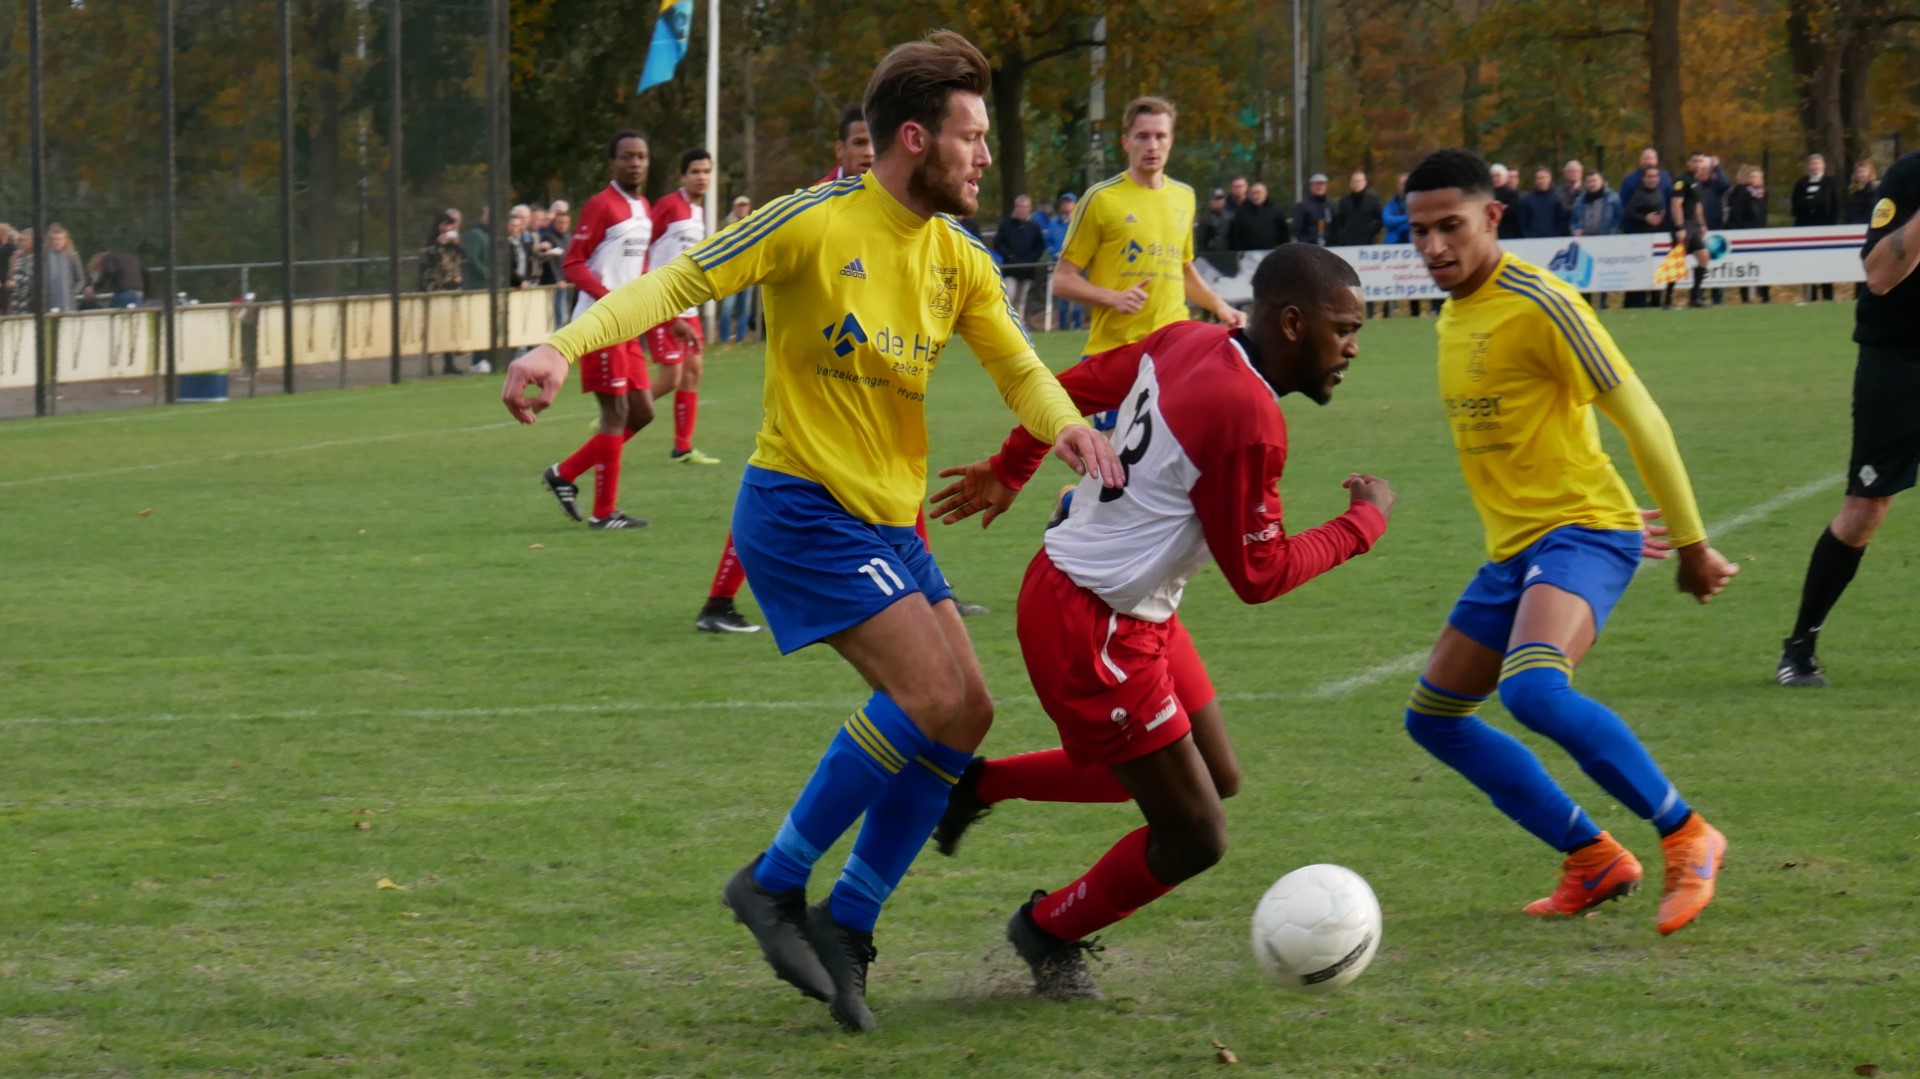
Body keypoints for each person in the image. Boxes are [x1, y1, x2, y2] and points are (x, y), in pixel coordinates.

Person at [502, 32, 1122, 1033]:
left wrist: (1066, 429)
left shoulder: (958, 257)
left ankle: (849, 922)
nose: (984, 156)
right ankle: (774, 879)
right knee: (929, 696)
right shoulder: (812, 221)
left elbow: (1018, 366)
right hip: (799, 508)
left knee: (968, 714)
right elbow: (676, 283)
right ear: (914, 139)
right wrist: (559, 347)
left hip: (887, 522)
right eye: (970, 137)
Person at [923, 244, 1392, 998]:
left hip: (1125, 606)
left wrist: (1012, 467)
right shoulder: (1249, 416)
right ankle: (1044, 931)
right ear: (1293, 324)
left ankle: (976, 785)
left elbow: (1066, 387)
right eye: (1345, 329)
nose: (1353, 348)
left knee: (1215, 777)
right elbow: (1260, 575)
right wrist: (1362, 523)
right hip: (1093, 626)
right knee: (1195, 834)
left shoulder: (1190, 338)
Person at [1397, 148, 1737, 936]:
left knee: (1533, 690)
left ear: (1492, 216)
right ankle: (1591, 857)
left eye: (1451, 226)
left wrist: (1693, 543)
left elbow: (1641, 416)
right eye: (1419, 231)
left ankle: (1688, 832)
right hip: (1517, 550)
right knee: (1435, 717)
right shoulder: (1454, 312)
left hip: (1580, 531)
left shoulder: (1542, 302)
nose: (1434, 247)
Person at [1777, 149, 1920, 687]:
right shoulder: (1908, 177)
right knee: (1865, 509)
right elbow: (1880, 275)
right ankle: (1799, 648)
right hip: (1898, 361)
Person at [1051, 96, 1245, 431]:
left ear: (1171, 140)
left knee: (1181, 457)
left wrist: (1222, 308)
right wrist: (1114, 297)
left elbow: (1183, 269)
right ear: (1126, 142)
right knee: (1112, 461)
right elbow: (1062, 280)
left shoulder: (1184, 196)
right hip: (1116, 354)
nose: (1152, 145)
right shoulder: (1101, 199)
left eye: (1160, 136)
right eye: (1142, 136)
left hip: (1175, 354)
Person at [538, 130, 674, 530]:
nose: (635, 163)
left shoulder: (643, 207)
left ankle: (564, 473)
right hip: (599, 325)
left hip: (629, 326)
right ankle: (604, 512)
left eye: (641, 156)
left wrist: (659, 312)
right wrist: (609, 299)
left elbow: (640, 268)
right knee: (615, 414)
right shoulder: (601, 205)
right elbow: (573, 263)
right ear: (612, 163)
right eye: (627, 156)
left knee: (643, 412)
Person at [647, 148, 721, 465]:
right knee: (670, 378)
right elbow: (645, 241)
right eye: (695, 172)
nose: (701, 177)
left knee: (693, 371)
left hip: (687, 305)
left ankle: (682, 448)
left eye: (706, 171)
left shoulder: (698, 212)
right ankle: (618, 415)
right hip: (664, 302)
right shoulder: (669, 206)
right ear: (683, 176)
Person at [419, 211, 468, 374]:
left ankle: (449, 363)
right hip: (435, 290)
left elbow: (464, 260)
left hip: (452, 288)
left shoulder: (454, 243)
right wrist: (439, 245)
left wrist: (457, 245)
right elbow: (426, 261)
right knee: (433, 327)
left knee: (449, 327)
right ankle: (428, 366)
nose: (448, 228)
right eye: (446, 224)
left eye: (451, 225)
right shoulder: (429, 242)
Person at [1668, 153, 1718, 309]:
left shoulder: (1697, 182)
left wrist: (1702, 224)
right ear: (1688, 163)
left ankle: (1695, 297)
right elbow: (1676, 204)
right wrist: (1679, 227)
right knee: (1677, 262)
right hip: (1683, 225)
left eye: (1700, 161)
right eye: (1694, 161)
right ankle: (1668, 299)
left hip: (1693, 225)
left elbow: (1697, 205)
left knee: (1704, 256)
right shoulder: (1682, 181)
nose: (1697, 164)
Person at [1794, 153, 1841, 301]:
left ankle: (1828, 295)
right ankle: (1810, 295)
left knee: (1826, 263)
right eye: (1812, 164)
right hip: (1805, 229)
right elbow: (1795, 205)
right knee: (1807, 263)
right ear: (1808, 167)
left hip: (1825, 228)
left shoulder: (1830, 182)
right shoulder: (1801, 184)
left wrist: (1832, 225)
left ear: (1823, 166)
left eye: (1818, 164)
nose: (1815, 167)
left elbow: (1836, 205)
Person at [994, 194, 1048, 326]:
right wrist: (1010, 256)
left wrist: (1032, 259)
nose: (1022, 210)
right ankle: (1006, 321)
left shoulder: (1034, 227)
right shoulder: (1006, 225)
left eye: (1025, 207)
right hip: (1011, 268)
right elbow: (999, 244)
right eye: (1020, 207)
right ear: (1016, 207)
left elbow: (1039, 246)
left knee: (1022, 298)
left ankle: (1019, 323)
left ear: (1029, 208)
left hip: (1027, 269)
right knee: (1010, 294)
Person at [1573, 171, 1622, 310]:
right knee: (1583, 272)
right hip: (1585, 243)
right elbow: (1574, 220)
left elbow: (1618, 217)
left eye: (1594, 181)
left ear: (1601, 181)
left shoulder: (1612, 198)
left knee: (1603, 273)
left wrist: (1612, 232)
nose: (1592, 184)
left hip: (1604, 241)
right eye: (1589, 181)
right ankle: (1585, 304)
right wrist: (1575, 230)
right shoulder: (1580, 200)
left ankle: (1603, 303)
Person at [1622, 166, 1668, 309]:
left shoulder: (1660, 193)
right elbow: (1628, 213)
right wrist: (1645, 218)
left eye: (1655, 176)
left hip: (1657, 239)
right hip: (1641, 240)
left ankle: (1656, 301)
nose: (1652, 179)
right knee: (1640, 272)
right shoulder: (1639, 194)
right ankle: (1636, 302)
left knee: (1657, 271)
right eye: (1649, 176)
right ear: (1643, 179)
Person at [1042, 192, 1084, 331]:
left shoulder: (1080, 221)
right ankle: (1063, 327)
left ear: (1075, 205)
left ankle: (1077, 326)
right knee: (1062, 300)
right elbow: (1048, 241)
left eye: (1069, 202)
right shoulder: (1054, 222)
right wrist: (1052, 252)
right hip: (1058, 264)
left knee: (1078, 297)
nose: (1066, 205)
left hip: (1077, 265)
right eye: (1064, 202)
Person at [1727, 166, 1770, 304]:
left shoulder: (1762, 195)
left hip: (1760, 235)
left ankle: (1765, 295)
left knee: (1762, 266)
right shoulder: (1742, 193)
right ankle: (1745, 296)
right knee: (1746, 265)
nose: (1753, 179)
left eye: (1756, 177)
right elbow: (1737, 214)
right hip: (1746, 234)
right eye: (1751, 177)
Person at [716, 195, 755, 342]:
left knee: (745, 307)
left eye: (744, 205)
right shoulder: (726, 225)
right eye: (739, 205)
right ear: (734, 207)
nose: (742, 208)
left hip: (748, 271)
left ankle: (740, 337)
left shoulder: (754, 223)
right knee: (727, 307)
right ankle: (724, 338)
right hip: (730, 271)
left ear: (748, 208)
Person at [819, 103, 875, 184]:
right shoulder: (821, 191)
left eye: (877, 145)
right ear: (839, 149)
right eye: (859, 143)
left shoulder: (894, 189)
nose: (869, 153)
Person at [537, 199, 572, 327]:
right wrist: (558, 279)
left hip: (567, 282)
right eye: (560, 222)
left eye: (565, 223)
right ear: (554, 222)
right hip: (554, 283)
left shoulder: (569, 237)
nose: (563, 225)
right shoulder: (548, 236)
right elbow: (550, 261)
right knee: (558, 314)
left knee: (565, 314)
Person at [1228, 181, 1290, 252]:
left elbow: (1284, 233)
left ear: (1265, 193)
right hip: (1248, 254)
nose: (1255, 196)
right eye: (1253, 193)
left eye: (1258, 193)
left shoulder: (1276, 210)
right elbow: (1235, 235)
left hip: (1272, 252)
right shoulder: (1241, 212)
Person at [1331, 169, 1383, 246]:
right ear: (1350, 184)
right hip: (1348, 243)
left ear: (1365, 182)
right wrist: (1343, 235)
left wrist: (1372, 232)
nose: (1357, 184)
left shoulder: (1373, 200)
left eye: (1359, 181)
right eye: (1355, 181)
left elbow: (1380, 220)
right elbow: (1340, 222)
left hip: (1369, 242)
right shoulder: (1344, 201)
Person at [1193, 187, 1238, 277]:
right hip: (1211, 258)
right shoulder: (1204, 219)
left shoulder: (1231, 218)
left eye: (1221, 199)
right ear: (1211, 201)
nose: (1218, 202)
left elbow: (1236, 239)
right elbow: (1201, 242)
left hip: (1229, 257)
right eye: (1216, 199)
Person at [1516, 167, 1570, 239]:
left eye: (1543, 178)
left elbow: (1562, 222)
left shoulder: (1557, 199)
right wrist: (1527, 235)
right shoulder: (1527, 200)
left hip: (1553, 240)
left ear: (1549, 179)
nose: (1541, 181)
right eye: (1538, 178)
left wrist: (1556, 235)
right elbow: (1523, 222)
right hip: (1532, 240)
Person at [1290, 172, 1334, 246]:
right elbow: (1297, 230)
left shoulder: (1330, 205)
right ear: (1311, 187)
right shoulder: (1302, 206)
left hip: (1330, 246)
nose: (1320, 187)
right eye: (1317, 184)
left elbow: (1335, 226)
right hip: (1310, 247)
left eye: (1322, 184)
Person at [505, 205, 536, 288]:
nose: (515, 229)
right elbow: (506, 267)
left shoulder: (524, 240)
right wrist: (519, 281)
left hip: (524, 283)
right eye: (513, 225)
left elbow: (528, 261)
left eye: (517, 226)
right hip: (510, 284)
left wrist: (526, 280)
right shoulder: (503, 243)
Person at [1489, 164, 1522, 239]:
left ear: (1505, 177)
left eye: (1498, 176)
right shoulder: (1488, 194)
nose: (1495, 179)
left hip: (1510, 235)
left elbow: (1512, 211)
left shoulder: (1512, 194)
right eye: (1493, 176)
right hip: (1492, 234)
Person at [1847, 160, 1881, 226]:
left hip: (1870, 224)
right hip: (1853, 225)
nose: (1860, 175)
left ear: (1869, 173)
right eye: (1858, 172)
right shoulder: (1854, 190)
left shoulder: (1875, 189)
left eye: (1863, 172)